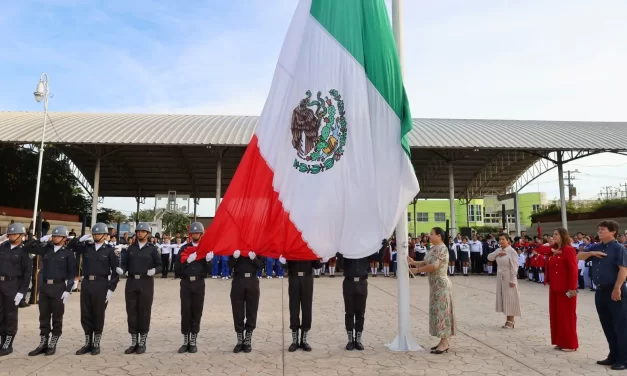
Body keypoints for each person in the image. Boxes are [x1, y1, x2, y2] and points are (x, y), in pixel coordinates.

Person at [578, 220, 627, 371]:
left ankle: (623, 359)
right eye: (599, 229)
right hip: (600, 291)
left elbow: (623, 270)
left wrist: (617, 288)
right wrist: (591, 253)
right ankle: (612, 355)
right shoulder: (596, 246)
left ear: (613, 232)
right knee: (607, 324)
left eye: (603, 229)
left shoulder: (618, 248)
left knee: (620, 325)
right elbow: (579, 256)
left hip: (615, 290)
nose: (600, 231)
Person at [67, 223, 120, 355]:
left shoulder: (109, 250)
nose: (96, 236)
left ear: (105, 236)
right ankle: (87, 342)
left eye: (99, 234)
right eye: (94, 234)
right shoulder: (87, 247)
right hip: (86, 283)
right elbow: (70, 246)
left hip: (101, 284)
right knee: (85, 313)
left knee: (98, 313)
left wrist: (111, 288)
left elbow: (115, 271)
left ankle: (96, 343)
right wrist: (80, 238)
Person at [24, 226, 76, 356]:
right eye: (53, 236)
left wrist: (68, 290)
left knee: (57, 317)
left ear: (64, 238)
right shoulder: (46, 249)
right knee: (43, 317)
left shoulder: (68, 253)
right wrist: (39, 240)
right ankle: (43, 342)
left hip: (59, 287)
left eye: (58, 236)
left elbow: (71, 273)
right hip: (45, 287)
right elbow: (27, 248)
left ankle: (53, 343)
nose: (55, 238)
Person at [407, 227, 455, 354]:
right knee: (437, 313)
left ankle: (444, 343)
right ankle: (442, 341)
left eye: (432, 234)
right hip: (434, 286)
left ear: (439, 236)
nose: (429, 235)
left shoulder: (442, 249)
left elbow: (434, 266)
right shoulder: (434, 248)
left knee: (442, 313)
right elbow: (426, 262)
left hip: (441, 285)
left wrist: (416, 270)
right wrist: (414, 263)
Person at [117, 222, 162, 355]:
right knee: (131, 311)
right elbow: (124, 263)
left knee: (144, 311)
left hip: (146, 282)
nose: (140, 233)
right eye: (138, 231)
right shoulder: (131, 248)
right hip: (131, 282)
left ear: (148, 234)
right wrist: (123, 270)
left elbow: (160, 265)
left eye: (143, 231)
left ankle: (142, 342)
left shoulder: (152, 249)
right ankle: (133, 341)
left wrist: (154, 270)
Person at [534, 228, 579, 351]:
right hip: (554, 287)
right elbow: (539, 250)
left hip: (566, 289)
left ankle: (570, 344)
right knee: (556, 315)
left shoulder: (568, 250)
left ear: (563, 236)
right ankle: (560, 341)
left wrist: (572, 288)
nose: (553, 236)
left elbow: (573, 269)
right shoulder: (554, 250)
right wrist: (553, 247)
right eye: (553, 234)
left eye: (556, 234)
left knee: (567, 316)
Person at [176, 222, 211, 353]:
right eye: (193, 233)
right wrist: (187, 261)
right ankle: (185, 340)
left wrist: (208, 260)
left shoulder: (205, 249)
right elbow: (177, 269)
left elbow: (210, 270)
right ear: (190, 235)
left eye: (197, 233)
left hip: (199, 283)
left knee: (197, 311)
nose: (195, 235)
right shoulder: (183, 249)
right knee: (185, 311)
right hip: (185, 284)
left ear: (201, 234)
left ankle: (193, 340)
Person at [0, 223, 33, 356]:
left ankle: (8, 344)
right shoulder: (3, 247)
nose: (12, 236)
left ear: (21, 236)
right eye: (10, 234)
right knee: (0, 315)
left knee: (10, 316)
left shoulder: (25, 252)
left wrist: (22, 292)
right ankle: (2, 341)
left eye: (14, 234)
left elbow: (27, 273)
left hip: (13, 285)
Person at [279, 255, 323, 352]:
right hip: (294, 278)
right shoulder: (291, 247)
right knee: (294, 308)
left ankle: (304, 339)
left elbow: (316, 265)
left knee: (307, 307)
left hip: (307, 278)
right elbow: (285, 266)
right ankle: (295, 340)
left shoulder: (309, 246)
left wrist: (323, 260)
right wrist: (283, 262)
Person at [341, 251, 380, 351]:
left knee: (360, 313)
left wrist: (383, 246)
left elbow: (379, 257)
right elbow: (340, 266)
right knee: (349, 312)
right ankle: (350, 340)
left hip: (362, 283)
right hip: (349, 283)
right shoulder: (347, 250)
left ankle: (358, 340)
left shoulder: (365, 250)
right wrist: (340, 256)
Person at [229, 250, 263, 353]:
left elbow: (261, 265)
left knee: (251, 310)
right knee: (237, 310)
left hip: (252, 281)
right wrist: (235, 257)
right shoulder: (236, 248)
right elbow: (229, 265)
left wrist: (254, 259)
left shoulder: (257, 247)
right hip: (238, 280)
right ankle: (240, 339)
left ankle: (248, 339)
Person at [487, 233, 522, 329]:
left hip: (509, 276)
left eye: (503, 239)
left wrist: (513, 280)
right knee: (504, 298)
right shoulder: (498, 250)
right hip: (500, 276)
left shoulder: (512, 251)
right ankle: (507, 319)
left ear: (508, 241)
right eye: (500, 239)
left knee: (510, 297)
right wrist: (498, 254)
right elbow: (489, 257)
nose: (501, 241)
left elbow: (515, 267)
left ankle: (511, 320)